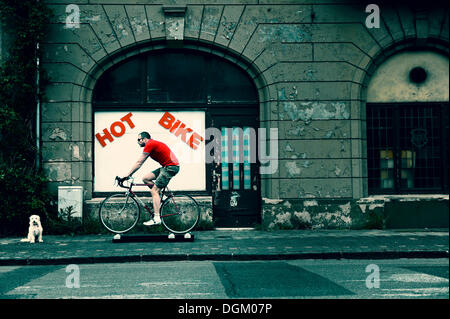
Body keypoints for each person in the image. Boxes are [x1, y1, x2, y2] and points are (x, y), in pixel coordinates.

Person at [119, 131, 180, 226]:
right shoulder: (152, 144)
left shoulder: (150, 144)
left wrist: (127, 175)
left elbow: (139, 162)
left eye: (139, 139)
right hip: (166, 167)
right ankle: (161, 198)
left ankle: (156, 218)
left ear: (145, 139)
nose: (138, 142)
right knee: (146, 178)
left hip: (171, 167)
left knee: (154, 191)